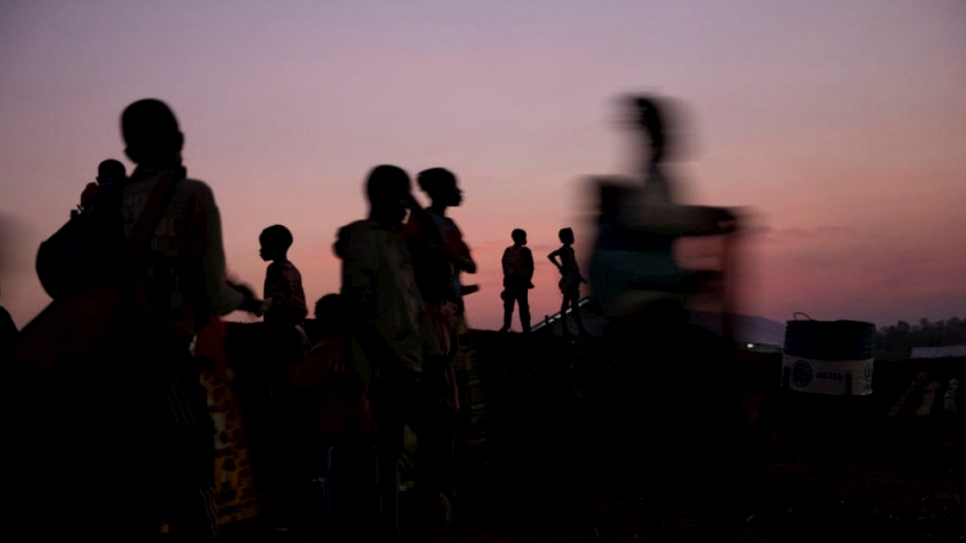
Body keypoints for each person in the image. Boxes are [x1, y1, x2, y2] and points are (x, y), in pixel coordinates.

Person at [26, 98, 264, 540]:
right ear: (177, 141)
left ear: (130, 152)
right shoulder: (191, 195)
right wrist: (251, 302)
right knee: (192, 468)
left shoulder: (108, 201)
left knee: (128, 479)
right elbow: (211, 288)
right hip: (162, 354)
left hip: (108, 359)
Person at [334, 164, 450, 539]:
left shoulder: (398, 240)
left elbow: (434, 250)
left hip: (411, 362)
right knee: (421, 437)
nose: (406, 207)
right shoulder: (361, 238)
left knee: (393, 451)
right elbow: (358, 311)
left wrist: (431, 357)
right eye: (400, 197)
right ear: (384, 197)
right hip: (390, 365)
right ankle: (413, 515)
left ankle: (395, 522)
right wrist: (392, 365)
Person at [548, 227, 587, 339]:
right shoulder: (564, 250)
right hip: (569, 280)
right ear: (565, 238)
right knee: (571, 305)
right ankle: (576, 330)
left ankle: (574, 330)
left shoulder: (570, 250)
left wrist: (579, 277)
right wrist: (560, 267)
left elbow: (573, 265)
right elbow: (551, 256)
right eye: (570, 235)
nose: (572, 237)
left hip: (572, 279)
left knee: (568, 305)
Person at [499, 229, 534, 334]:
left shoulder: (524, 251)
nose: (524, 239)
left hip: (520, 281)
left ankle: (526, 329)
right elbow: (504, 266)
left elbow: (531, 267)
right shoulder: (508, 250)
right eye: (523, 236)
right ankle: (506, 326)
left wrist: (527, 279)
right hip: (511, 281)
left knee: (522, 306)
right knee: (509, 306)